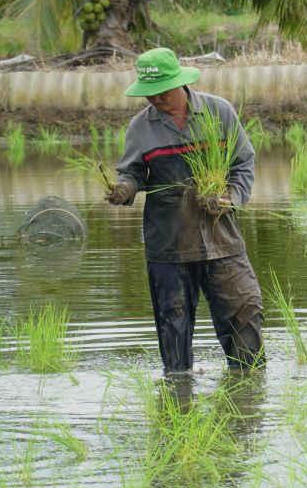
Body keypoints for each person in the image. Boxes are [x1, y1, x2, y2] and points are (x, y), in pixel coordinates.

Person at [106, 47, 265, 372]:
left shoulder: (218, 112)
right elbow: (132, 173)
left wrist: (231, 197)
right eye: (148, 94)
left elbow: (243, 162)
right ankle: (177, 401)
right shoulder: (141, 127)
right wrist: (124, 189)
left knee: (246, 321)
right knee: (173, 336)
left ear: (179, 83)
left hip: (222, 244)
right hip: (169, 247)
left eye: (161, 92)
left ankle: (248, 401)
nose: (155, 100)